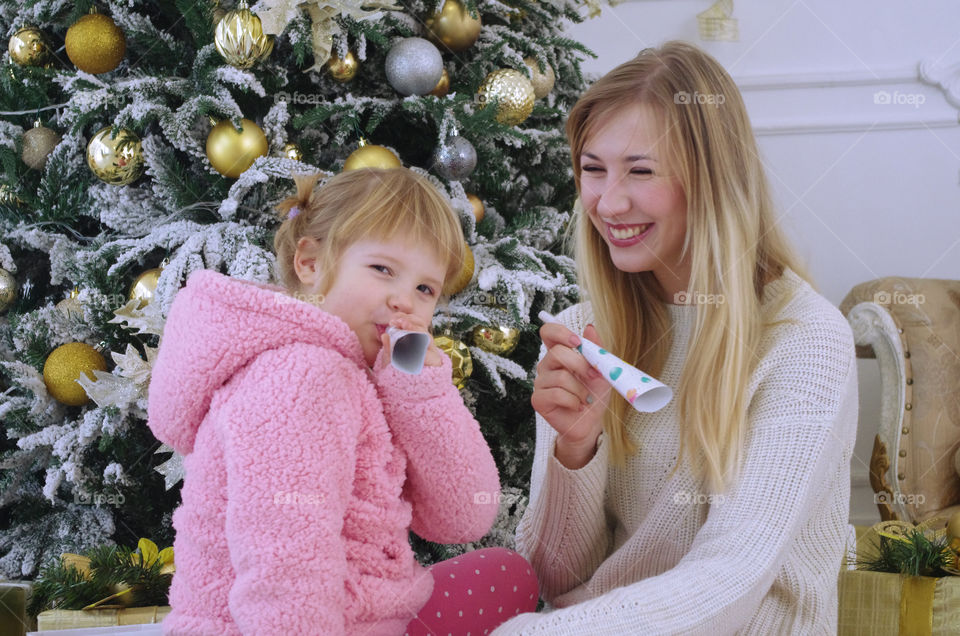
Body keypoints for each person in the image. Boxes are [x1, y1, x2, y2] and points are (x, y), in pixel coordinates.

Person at [492, 41, 858, 634]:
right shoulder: (587, 331)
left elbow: (729, 581)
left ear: (712, 181)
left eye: (640, 171)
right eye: (592, 169)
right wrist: (576, 452)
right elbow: (557, 580)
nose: (608, 203)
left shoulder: (805, 341)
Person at [147, 167, 538, 636]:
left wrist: (421, 391)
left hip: (367, 610)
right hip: (281, 625)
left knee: (507, 574)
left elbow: (463, 516)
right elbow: (285, 552)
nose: (404, 301)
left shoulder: (364, 374)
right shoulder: (302, 375)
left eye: (425, 289)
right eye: (382, 269)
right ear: (310, 263)